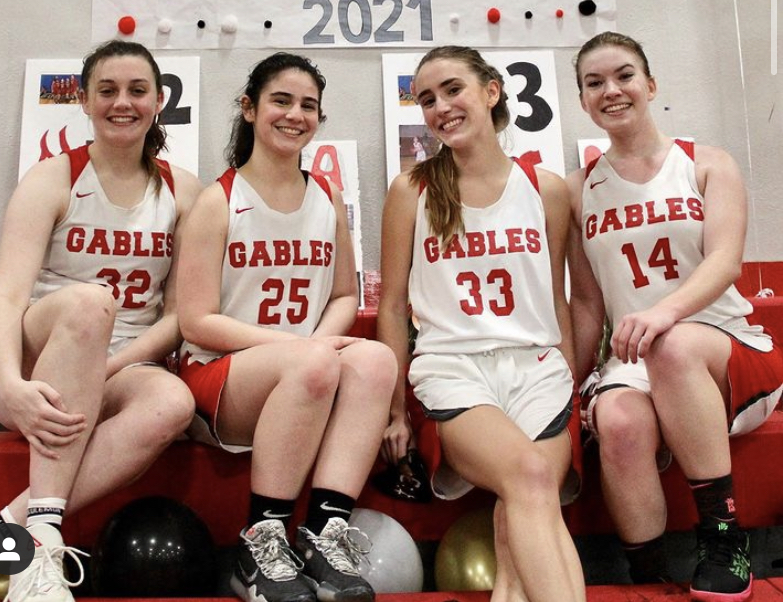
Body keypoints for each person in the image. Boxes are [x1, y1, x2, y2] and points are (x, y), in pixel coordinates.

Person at [0, 40, 201, 602]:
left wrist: (106, 367)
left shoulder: (183, 190)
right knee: (91, 303)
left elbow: (180, 316)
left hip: (118, 362)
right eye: (107, 91)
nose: (123, 102)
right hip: (28, 361)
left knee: (174, 405)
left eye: (137, 91)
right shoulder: (53, 178)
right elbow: (6, 296)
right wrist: (13, 384)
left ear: (159, 101)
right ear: (84, 102)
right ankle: (38, 544)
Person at [567, 31, 783, 600]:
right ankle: (647, 576)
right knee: (618, 419)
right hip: (637, 358)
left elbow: (725, 262)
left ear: (650, 84)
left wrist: (663, 313)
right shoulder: (579, 190)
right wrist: (566, 382)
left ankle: (723, 537)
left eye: (624, 76)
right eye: (594, 83)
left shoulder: (706, 162)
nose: (611, 90)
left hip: (725, 345)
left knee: (675, 345)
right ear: (582, 100)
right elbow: (588, 301)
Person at [176, 52, 397, 602]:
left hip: (305, 372)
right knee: (318, 360)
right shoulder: (218, 200)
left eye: (308, 106)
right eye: (281, 101)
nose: (295, 114)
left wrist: (313, 348)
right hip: (221, 380)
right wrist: (303, 347)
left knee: (376, 360)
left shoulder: (327, 195)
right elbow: (196, 320)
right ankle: (260, 545)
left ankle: (326, 534)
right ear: (249, 109)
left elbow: (346, 294)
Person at [377, 45, 586, 602]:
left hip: (539, 370)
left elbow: (557, 298)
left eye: (452, 89)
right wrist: (395, 410)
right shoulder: (411, 191)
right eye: (426, 99)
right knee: (532, 480)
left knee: (519, 510)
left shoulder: (546, 188)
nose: (440, 106)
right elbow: (393, 307)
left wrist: (570, 375)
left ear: (491, 91)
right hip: (455, 368)